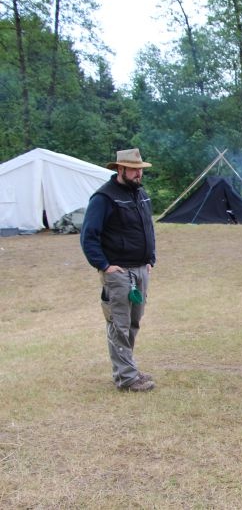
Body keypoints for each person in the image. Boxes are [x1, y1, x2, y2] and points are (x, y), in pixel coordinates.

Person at [80, 148, 157, 392]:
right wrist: (104, 266)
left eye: (140, 170)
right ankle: (126, 378)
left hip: (141, 269)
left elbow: (148, 228)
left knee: (133, 323)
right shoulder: (104, 198)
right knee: (119, 324)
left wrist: (150, 259)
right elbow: (89, 236)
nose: (138, 174)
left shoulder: (140, 194)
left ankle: (128, 369)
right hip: (119, 273)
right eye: (133, 170)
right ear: (120, 169)